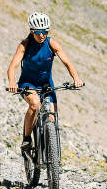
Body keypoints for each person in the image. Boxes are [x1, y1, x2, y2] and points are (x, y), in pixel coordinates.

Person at [5, 12, 84, 143]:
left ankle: (51, 153)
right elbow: (12, 67)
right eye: (38, 32)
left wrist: (76, 78)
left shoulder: (52, 43)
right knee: (35, 104)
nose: (42, 35)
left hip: (47, 84)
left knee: (52, 118)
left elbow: (67, 62)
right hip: (27, 84)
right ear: (32, 31)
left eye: (45, 31)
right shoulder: (24, 45)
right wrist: (12, 82)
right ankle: (27, 139)